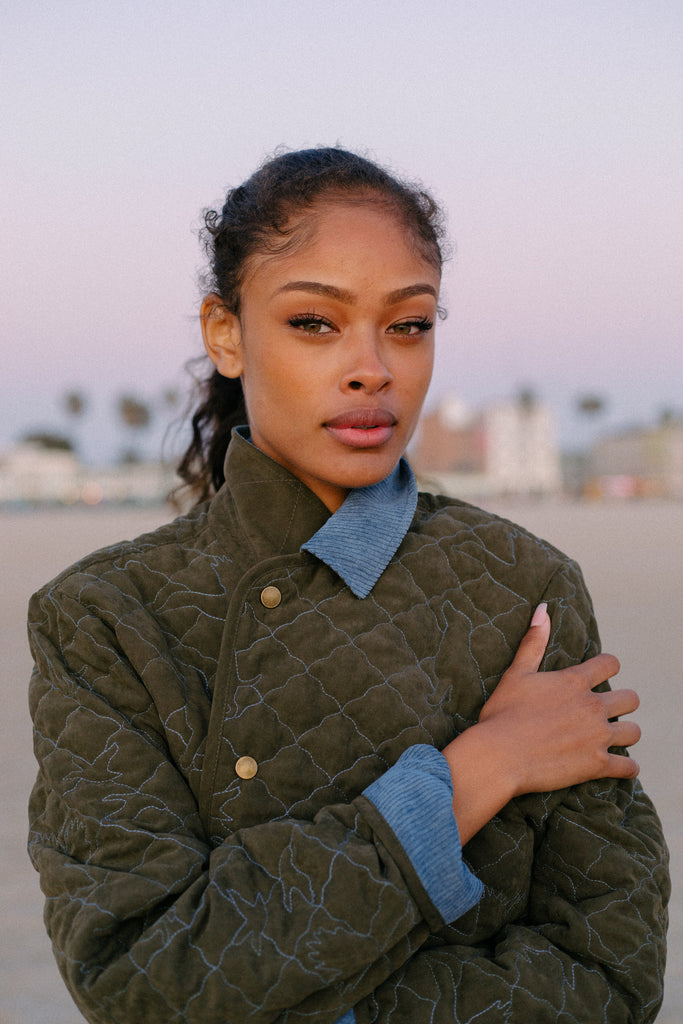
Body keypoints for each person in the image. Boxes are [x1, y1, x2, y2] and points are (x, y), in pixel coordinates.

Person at [28, 147, 669, 1024]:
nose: (373, 368)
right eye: (315, 324)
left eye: (408, 325)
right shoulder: (104, 618)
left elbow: (612, 973)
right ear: (226, 332)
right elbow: (138, 976)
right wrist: (476, 771)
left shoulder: (526, 585)